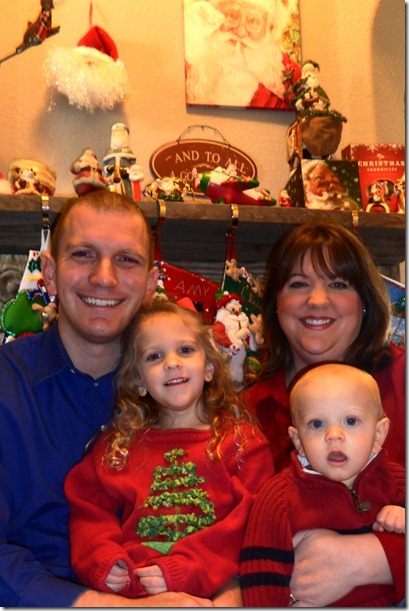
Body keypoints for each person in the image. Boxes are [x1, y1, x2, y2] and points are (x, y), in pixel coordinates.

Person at [0, 190, 225, 607]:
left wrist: (231, 597)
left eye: (126, 260)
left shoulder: (192, 390)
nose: (104, 277)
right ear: (50, 273)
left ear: (150, 284)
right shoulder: (7, 387)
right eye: (83, 254)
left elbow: (242, 520)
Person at [65, 300, 274, 600]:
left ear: (209, 368)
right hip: (134, 593)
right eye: (154, 356)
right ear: (138, 381)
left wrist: (186, 568)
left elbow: (252, 521)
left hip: (212, 593)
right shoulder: (119, 446)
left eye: (185, 350)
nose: (172, 362)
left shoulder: (241, 443)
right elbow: (88, 508)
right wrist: (101, 558)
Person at [242, 220, 405, 604]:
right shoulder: (244, 412)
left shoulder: (402, 378)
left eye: (338, 284)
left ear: (365, 301)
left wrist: (375, 559)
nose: (317, 300)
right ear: (276, 304)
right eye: (298, 284)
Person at [240, 362, 405, 607]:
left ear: (378, 434)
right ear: (298, 440)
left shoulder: (397, 480)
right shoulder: (278, 498)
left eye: (351, 421)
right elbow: (261, 575)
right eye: (317, 424)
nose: (334, 435)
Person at [183, 0, 301, 109]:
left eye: (253, 21)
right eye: (232, 16)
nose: (240, 32)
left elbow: (302, 114)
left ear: (270, 28)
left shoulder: (289, 71)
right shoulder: (190, 60)